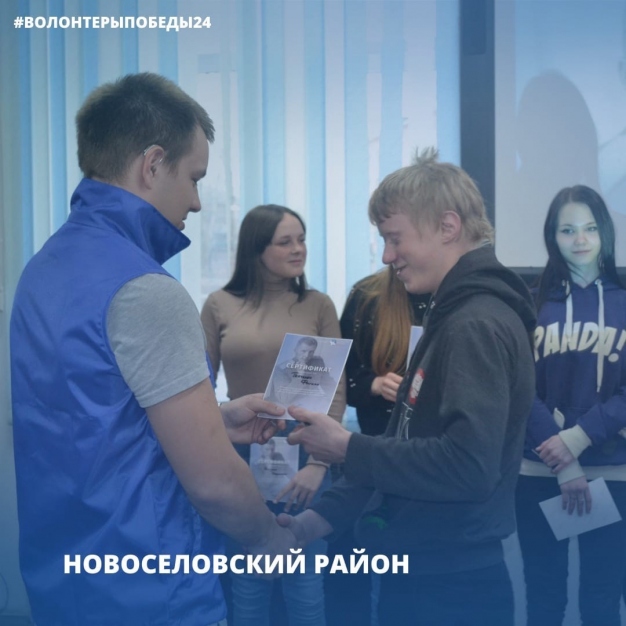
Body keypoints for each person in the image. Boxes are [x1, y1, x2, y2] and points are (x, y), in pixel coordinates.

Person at [10, 73, 296, 626]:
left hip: (65, 588)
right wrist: (267, 538)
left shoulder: (42, 270)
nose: (196, 202)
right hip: (154, 595)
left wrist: (213, 420)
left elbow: (91, 420)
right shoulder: (145, 290)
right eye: (194, 178)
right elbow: (214, 484)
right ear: (153, 164)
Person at [279, 149, 537, 626]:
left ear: (447, 226)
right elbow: (405, 449)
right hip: (430, 574)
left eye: (394, 238)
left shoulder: (473, 324)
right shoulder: (452, 315)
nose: (386, 256)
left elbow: (467, 466)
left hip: (449, 590)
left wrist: (347, 448)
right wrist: (306, 527)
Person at [201, 203, 346, 626]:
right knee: (248, 583)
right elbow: (199, 387)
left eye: (302, 239)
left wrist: (319, 464)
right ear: (256, 249)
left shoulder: (317, 304)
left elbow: (336, 389)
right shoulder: (219, 304)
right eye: (286, 241)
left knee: (305, 585)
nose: (298, 249)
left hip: (306, 452)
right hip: (242, 454)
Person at [515, 185, 626, 626]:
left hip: (612, 472)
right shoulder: (529, 303)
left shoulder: (624, 301)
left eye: (590, 228)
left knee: (602, 603)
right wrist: (564, 463)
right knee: (544, 602)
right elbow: (520, 386)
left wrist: (578, 439)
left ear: (605, 233)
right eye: (567, 230)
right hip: (539, 472)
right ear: (552, 236)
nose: (580, 239)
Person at [340, 266, 430, 436]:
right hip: (380, 434)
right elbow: (342, 376)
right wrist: (375, 384)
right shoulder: (367, 296)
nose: (387, 257)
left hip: (441, 436)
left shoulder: (461, 296)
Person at [266, 336, 337, 415]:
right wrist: (299, 376)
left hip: (314, 406)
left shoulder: (317, 362)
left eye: (311, 352)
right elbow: (284, 398)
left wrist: (333, 400)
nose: (306, 355)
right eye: (303, 351)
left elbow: (328, 384)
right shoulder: (281, 369)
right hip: (290, 410)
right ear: (295, 350)